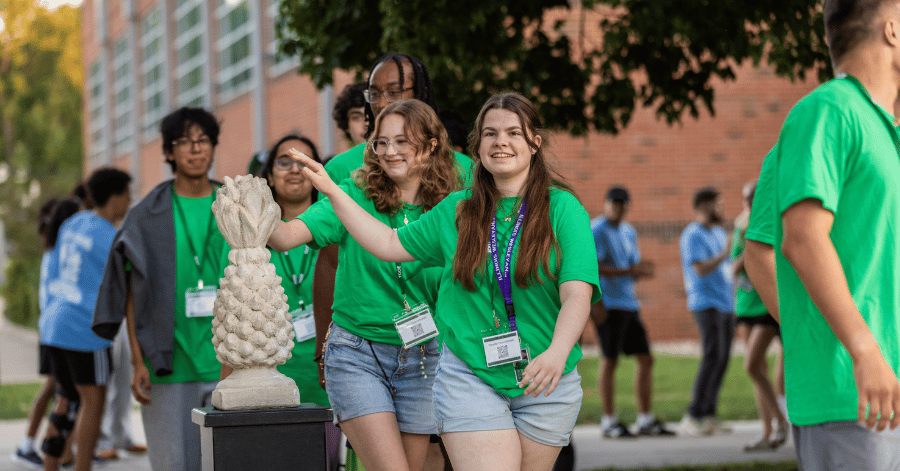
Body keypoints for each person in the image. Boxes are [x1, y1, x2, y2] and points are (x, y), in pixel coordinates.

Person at [282, 92, 600, 471]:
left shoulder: (563, 209)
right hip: (470, 375)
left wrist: (557, 352)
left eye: (514, 132)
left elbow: (577, 295)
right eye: (490, 133)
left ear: (535, 143)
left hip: (545, 379)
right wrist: (333, 191)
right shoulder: (457, 209)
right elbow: (388, 243)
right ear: (477, 146)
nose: (501, 142)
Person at [744, 1, 900, 467]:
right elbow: (792, 241)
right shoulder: (827, 110)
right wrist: (854, 346)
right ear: (892, 30)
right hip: (852, 393)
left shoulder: (882, 130)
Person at [267, 99, 463, 471]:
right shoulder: (354, 192)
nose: (389, 152)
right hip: (358, 353)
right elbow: (286, 236)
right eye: (381, 142)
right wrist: (255, 208)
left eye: (402, 141)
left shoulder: (452, 206)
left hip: (424, 356)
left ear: (432, 143)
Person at [315, 53, 472, 470]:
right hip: (360, 342)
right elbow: (329, 261)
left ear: (420, 95)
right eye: (374, 93)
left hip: (432, 348)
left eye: (393, 91)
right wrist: (321, 342)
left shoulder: (466, 173)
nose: (380, 101)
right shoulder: (343, 171)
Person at [92, 107, 230, 471]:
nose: (196, 149)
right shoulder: (146, 214)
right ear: (169, 152)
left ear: (213, 148)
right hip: (168, 366)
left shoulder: (235, 203)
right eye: (184, 142)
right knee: (172, 466)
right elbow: (132, 292)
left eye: (203, 141)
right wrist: (138, 361)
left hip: (230, 363)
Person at [40, 168, 133, 471]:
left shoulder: (72, 223)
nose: (129, 201)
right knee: (93, 402)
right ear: (116, 197)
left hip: (54, 323)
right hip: (85, 330)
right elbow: (129, 287)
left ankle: (50, 466)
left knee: (65, 400)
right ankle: (82, 467)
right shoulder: (112, 236)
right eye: (127, 195)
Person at [591, 187, 673, 438]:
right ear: (605, 204)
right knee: (610, 359)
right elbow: (592, 266)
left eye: (622, 204)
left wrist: (639, 271)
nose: (618, 208)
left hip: (629, 303)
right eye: (613, 203)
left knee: (646, 359)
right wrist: (627, 272)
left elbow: (630, 265)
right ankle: (608, 421)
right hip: (608, 304)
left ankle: (646, 419)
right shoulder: (596, 229)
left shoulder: (629, 231)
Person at [730, 181, 787, 452]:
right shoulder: (741, 228)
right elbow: (734, 268)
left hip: (767, 305)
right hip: (746, 304)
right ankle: (766, 433)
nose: (749, 203)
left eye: (753, 197)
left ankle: (783, 422)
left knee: (752, 365)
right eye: (746, 198)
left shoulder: (770, 223)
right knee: (758, 371)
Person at [678, 187, 734, 436]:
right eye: (717, 204)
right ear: (704, 207)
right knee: (712, 357)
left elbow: (728, 268)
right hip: (705, 303)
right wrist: (725, 253)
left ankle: (708, 414)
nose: (721, 209)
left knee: (722, 360)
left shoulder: (720, 234)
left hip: (726, 304)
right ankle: (693, 416)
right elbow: (700, 269)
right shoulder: (692, 235)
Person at [333, 82, 369, 146]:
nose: (367, 123)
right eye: (357, 117)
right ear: (347, 126)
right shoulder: (343, 156)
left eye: (374, 115)